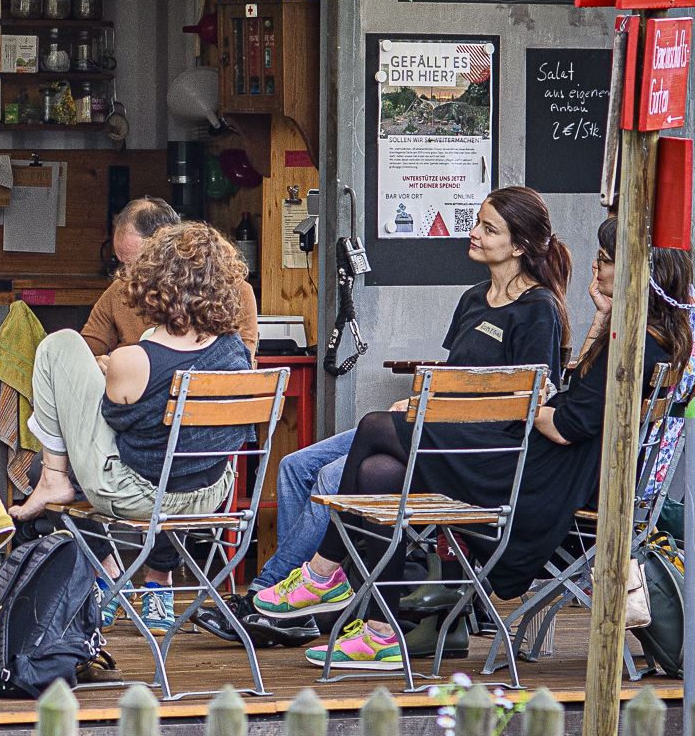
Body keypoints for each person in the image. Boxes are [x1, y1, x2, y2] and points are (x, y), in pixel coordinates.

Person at [253, 233, 682, 676]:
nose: (597, 267)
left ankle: (324, 573)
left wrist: (523, 400)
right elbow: (580, 400)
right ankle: (380, 632)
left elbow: (566, 426)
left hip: (533, 476)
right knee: (381, 472)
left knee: (376, 426)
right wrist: (600, 320)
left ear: (639, 277)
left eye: (607, 261)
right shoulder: (636, 339)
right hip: (539, 466)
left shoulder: (621, 342)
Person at [245, 185, 573, 597]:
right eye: (476, 223)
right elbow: (458, 377)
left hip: (485, 454)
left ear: (520, 246)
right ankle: (378, 615)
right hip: (442, 430)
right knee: (346, 469)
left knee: (358, 446)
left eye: (488, 229)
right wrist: (423, 403)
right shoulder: (473, 298)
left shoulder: (538, 309)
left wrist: (425, 409)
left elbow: (528, 402)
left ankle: (303, 579)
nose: (473, 233)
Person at [9, 222, 255, 636]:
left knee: (58, 346)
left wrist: (106, 379)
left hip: (138, 496)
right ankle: (111, 573)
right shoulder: (235, 351)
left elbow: (113, 422)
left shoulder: (135, 359)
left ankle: (53, 479)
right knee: (161, 455)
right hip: (210, 494)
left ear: (151, 282)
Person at [80, 198, 259, 356]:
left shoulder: (233, 292)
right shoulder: (119, 289)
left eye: (136, 262)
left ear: (168, 247)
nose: (126, 274)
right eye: (122, 262)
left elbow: (241, 363)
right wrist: (96, 363)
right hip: (130, 388)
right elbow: (86, 351)